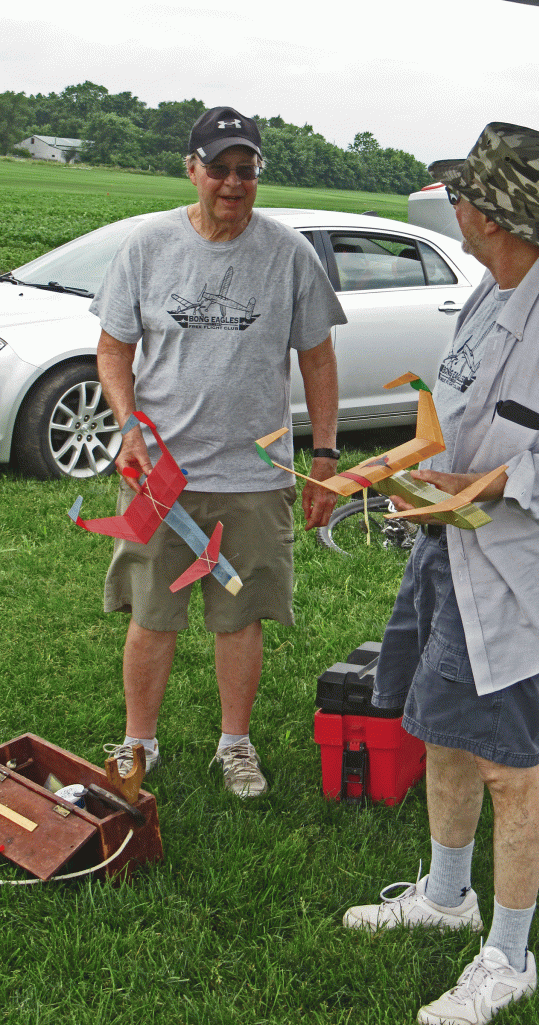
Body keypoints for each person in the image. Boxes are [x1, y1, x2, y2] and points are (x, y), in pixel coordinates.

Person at [343, 123, 539, 1024]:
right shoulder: (492, 288)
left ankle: (508, 956)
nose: (452, 205)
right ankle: (444, 896)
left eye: (461, 194)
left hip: (514, 565)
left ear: (491, 214)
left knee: (508, 763)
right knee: (444, 729)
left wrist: (492, 482)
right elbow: (461, 413)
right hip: (452, 541)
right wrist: (394, 469)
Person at [92, 106, 346, 797]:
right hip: (158, 472)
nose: (233, 183)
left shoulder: (287, 254)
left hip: (253, 476)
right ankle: (138, 742)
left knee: (240, 616)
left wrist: (324, 454)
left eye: (246, 170)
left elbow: (318, 360)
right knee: (151, 613)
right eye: (220, 169)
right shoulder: (148, 247)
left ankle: (235, 744)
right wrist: (129, 428)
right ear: (192, 170)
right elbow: (113, 351)